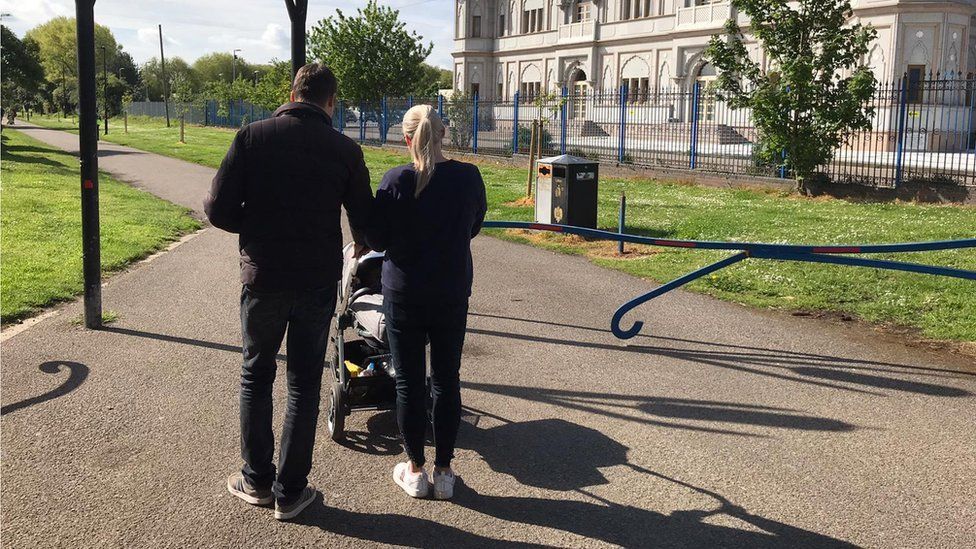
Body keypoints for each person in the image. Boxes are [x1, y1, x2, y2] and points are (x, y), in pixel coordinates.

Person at [204, 63, 373, 520]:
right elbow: (366, 224)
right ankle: (291, 491)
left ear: (293, 92)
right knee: (302, 384)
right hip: (316, 281)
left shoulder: (252, 137)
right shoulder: (345, 150)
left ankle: (256, 479)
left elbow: (216, 208)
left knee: (255, 375)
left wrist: (254, 228)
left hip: (263, 277)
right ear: (330, 102)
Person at [366, 104, 487, 500]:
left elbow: (378, 240)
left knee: (409, 382)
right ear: (443, 134)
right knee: (447, 380)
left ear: (406, 138)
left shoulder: (397, 180)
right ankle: (445, 471)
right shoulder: (468, 177)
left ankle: (415, 468)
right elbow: (474, 224)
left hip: (405, 294)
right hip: (451, 291)